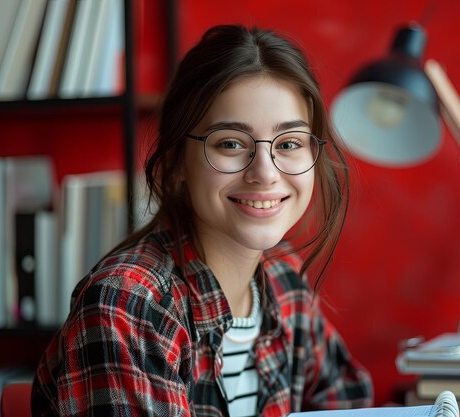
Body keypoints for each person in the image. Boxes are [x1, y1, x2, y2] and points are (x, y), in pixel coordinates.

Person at [32, 24, 373, 416]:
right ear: (177, 163)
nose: (265, 173)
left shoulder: (283, 280)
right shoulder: (128, 306)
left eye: (289, 143)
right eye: (230, 143)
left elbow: (347, 400)